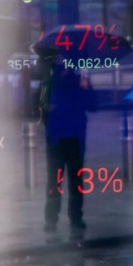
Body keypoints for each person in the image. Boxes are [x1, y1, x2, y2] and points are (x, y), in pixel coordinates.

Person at [40, 59, 96, 239]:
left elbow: (93, 106)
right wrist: (48, 111)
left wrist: (86, 88)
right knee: (54, 181)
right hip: (57, 139)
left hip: (75, 137)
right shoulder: (49, 82)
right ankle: (51, 219)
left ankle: (75, 217)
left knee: (76, 180)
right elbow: (37, 108)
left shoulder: (79, 81)